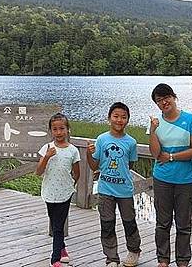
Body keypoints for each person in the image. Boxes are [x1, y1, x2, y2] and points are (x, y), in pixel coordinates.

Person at [148, 83, 192, 267]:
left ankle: (183, 260)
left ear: (174, 97)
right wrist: (153, 130)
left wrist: (171, 157)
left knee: (183, 224)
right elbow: (155, 153)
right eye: (159, 100)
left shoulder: (190, 119)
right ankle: (163, 260)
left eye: (166, 98)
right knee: (162, 222)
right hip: (162, 178)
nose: (164, 102)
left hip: (186, 180)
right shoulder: (156, 123)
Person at [87, 102, 141, 267]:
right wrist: (89, 154)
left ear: (128, 120)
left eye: (123, 117)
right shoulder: (102, 139)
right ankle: (111, 257)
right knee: (107, 223)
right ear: (109, 118)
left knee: (129, 221)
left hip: (124, 190)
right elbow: (94, 166)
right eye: (116, 116)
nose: (119, 120)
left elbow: (129, 165)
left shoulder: (131, 142)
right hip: (105, 189)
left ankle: (134, 251)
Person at [36, 112, 81, 267]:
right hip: (49, 191)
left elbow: (77, 173)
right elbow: (38, 171)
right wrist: (47, 156)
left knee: (58, 227)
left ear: (68, 129)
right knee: (54, 221)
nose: (59, 132)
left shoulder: (73, 150)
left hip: (65, 192)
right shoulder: (46, 148)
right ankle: (62, 249)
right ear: (51, 131)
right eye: (55, 129)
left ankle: (55, 259)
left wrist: (70, 187)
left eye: (62, 128)